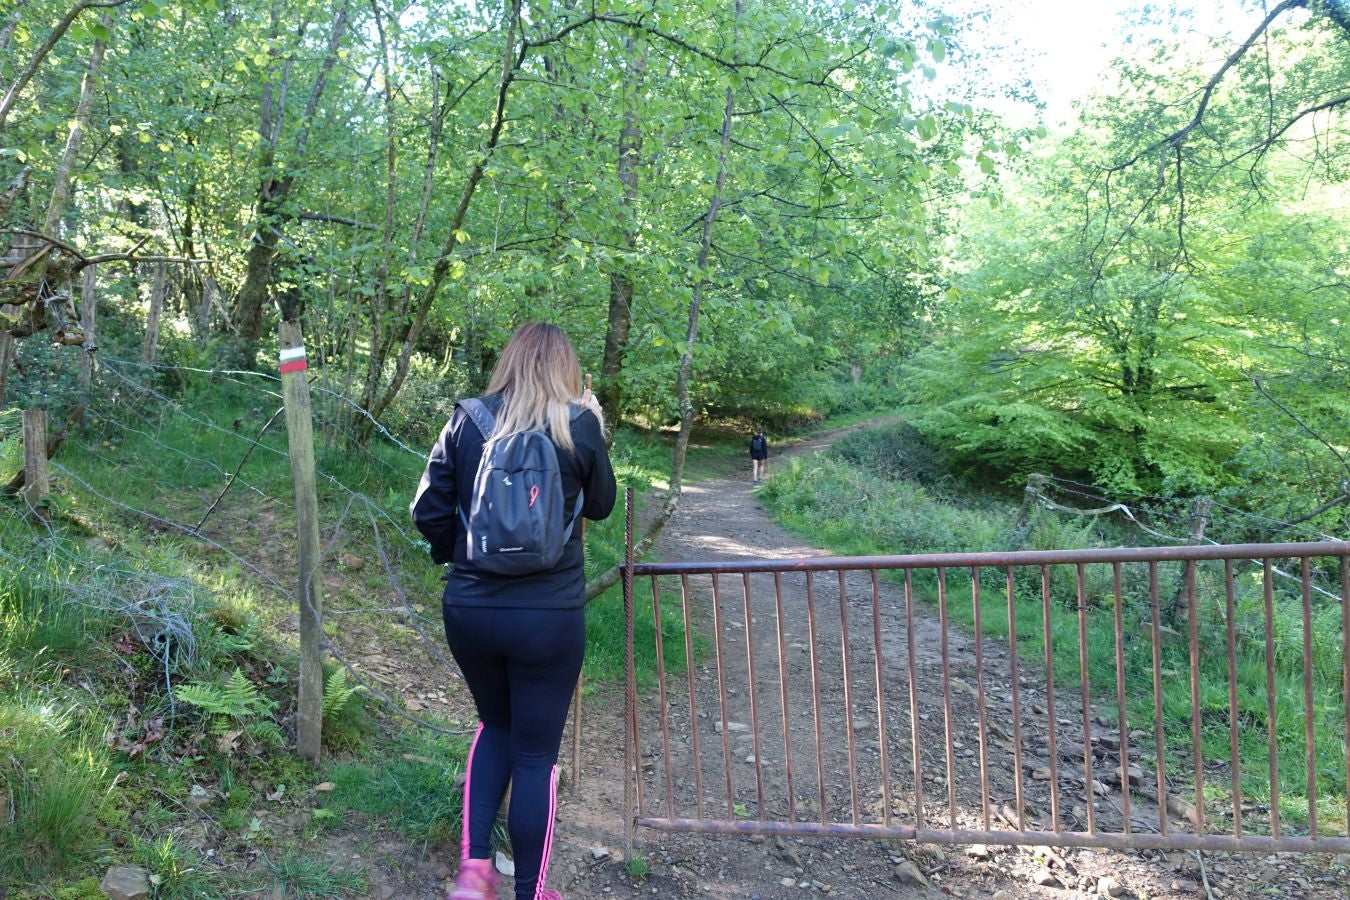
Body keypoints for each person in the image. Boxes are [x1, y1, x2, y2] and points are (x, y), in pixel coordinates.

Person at [410, 323, 616, 900]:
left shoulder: (469, 419)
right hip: (548, 616)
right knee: (535, 756)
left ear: (510, 361)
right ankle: (530, 892)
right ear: (565, 369)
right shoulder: (577, 424)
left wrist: (464, 557)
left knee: (494, 724)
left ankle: (474, 871)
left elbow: (427, 510)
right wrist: (596, 425)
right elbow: (601, 506)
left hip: (471, 609)